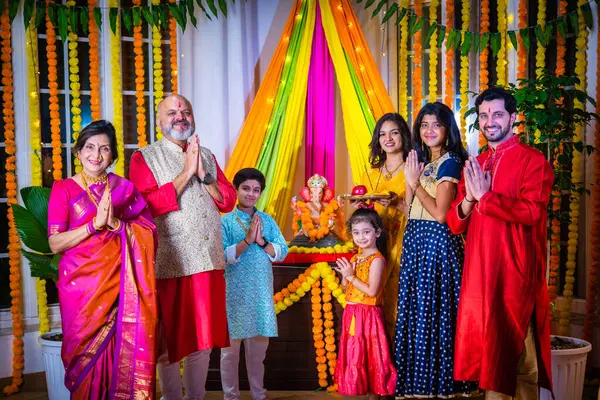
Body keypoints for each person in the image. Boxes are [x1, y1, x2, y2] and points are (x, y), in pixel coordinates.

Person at [447, 87, 553, 399]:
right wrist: (468, 198)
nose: (489, 121)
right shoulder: (476, 163)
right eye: (483, 115)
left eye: (497, 114)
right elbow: (455, 223)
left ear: (513, 118)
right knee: (487, 356)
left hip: (514, 276)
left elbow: (532, 213)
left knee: (517, 357)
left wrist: (487, 198)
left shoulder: (533, 161)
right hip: (480, 277)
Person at [129, 94, 237, 400]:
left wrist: (204, 176)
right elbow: (145, 205)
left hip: (207, 261)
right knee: (170, 342)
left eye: (185, 111)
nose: (180, 116)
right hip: (170, 261)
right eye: (172, 112)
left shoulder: (208, 155)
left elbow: (227, 201)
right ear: (160, 122)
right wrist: (187, 172)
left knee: (202, 341)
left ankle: (196, 397)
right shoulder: (144, 158)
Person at [48, 120, 158, 399]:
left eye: (104, 149)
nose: (96, 155)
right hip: (80, 291)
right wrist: (93, 225)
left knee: (118, 350)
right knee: (84, 360)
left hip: (119, 286)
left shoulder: (124, 189)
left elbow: (149, 233)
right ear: (78, 151)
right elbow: (55, 243)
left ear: (113, 156)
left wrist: (117, 225)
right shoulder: (64, 189)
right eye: (90, 147)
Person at [394, 102, 478, 398]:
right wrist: (406, 186)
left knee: (434, 312)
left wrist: (415, 184)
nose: (429, 130)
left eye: (436, 125)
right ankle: (418, 385)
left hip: (437, 242)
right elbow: (410, 210)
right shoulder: (421, 160)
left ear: (447, 130)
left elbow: (442, 214)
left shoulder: (451, 162)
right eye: (424, 125)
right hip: (416, 240)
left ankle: (440, 386)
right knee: (418, 311)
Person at [220, 168, 289, 400]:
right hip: (233, 295)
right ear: (236, 190)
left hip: (259, 295)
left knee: (258, 354)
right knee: (229, 355)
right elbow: (221, 255)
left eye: (256, 190)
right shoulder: (226, 222)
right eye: (246, 188)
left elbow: (281, 252)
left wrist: (261, 241)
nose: (251, 194)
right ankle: (231, 397)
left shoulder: (267, 221)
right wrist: (248, 240)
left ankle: (259, 395)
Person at [353, 112, 412, 339]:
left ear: (403, 136)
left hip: (404, 245)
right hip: (375, 247)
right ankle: (377, 363)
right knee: (373, 303)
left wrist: (397, 204)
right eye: (383, 134)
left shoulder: (414, 169)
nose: (388, 139)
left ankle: (401, 365)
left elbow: (423, 212)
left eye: (394, 133)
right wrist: (360, 205)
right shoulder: (371, 174)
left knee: (398, 302)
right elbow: (363, 215)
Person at [333, 208, 396, 399]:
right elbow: (347, 289)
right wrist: (345, 278)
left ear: (377, 232)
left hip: (368, 315)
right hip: (352, 312)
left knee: (370, 354)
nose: (361, 237)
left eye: (366, 232)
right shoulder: (356, 257)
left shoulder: (377, 260)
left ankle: (374, 395)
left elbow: (371, 291)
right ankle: (365, 391)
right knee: (356, 353)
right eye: (356, 232)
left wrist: (350, 276)